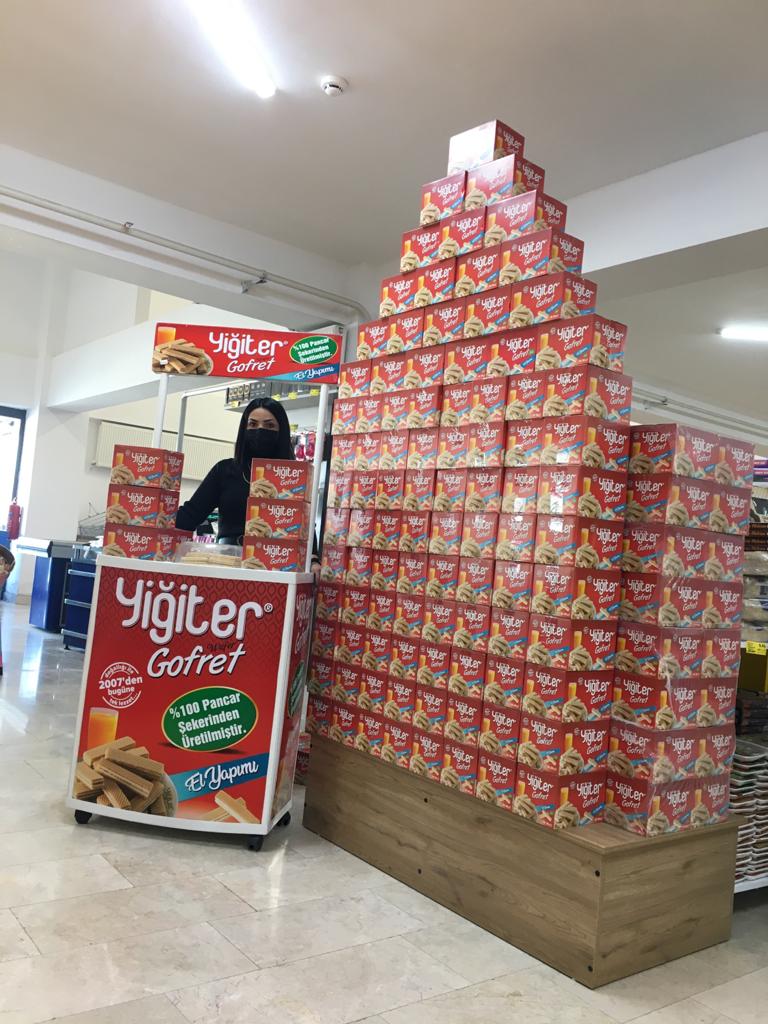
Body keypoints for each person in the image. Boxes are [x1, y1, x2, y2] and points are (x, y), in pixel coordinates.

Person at [175, 396, 321, 573]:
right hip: (229, 564)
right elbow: (190, 515)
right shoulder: (224, 471)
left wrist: (313, 559)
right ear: (243, 429)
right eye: (252, 424)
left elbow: (305, 526)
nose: (260, 430)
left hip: (277, 567)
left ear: (281, 432)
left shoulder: (292, 477)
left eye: (269, 425)